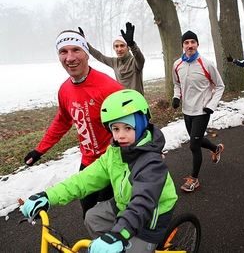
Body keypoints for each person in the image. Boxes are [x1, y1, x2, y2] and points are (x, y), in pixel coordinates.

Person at [22, 89, 178, 253]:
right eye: (115, 129)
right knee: (92, 217)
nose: (120, 136)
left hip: (150, 217)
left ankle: (120, 242)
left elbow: (142, 204)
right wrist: (49, 196)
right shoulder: (115, 152)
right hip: (123, 205)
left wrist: (119, 235)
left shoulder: (152, 163)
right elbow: (84, 179)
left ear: (141, 125)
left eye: (127, 128)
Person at [24, 30, 124, 218]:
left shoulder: (108, 87)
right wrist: (40, 150)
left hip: (113, 162)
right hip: (87, 163)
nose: (70, 58)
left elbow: (136, 120)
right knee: (88, 215)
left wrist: (149, 149)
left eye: (76, 50)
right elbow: (62, 120)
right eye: (63, 52)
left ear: (86, 53)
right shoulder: (65, 89)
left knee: (108, 217)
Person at [172, 30, 225, 192]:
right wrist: (176, 97)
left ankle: (194, 179)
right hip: (187, 110)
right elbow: (177, 84)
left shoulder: (206, 64)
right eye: (186, 43)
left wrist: (211, 105)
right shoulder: (177, 65)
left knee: (194, 145)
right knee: (197, 139)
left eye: (192, 42)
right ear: (183, 46)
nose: (190, 46)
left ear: (197, 44)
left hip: (202, 111)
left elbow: (220, 85)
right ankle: (216, 149)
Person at [79, 23, 145, 95]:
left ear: (128, 47)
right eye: (116, 46)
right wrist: (84, 43)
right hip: (122, 100)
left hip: (137, 101)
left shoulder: (134, 62)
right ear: (114, 48)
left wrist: (132, 44)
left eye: (122, 46)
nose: (119, 49)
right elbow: (99, 56)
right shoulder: (114, 62)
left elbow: (140, 59)